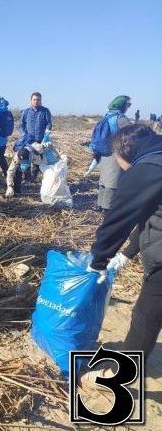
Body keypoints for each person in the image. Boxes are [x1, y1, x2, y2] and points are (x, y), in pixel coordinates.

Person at [84, 125, 162, 382]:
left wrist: (98, 260)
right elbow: (151, 215)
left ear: (124, 153)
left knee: (146, 315)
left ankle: (123, 377)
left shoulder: (146, 170)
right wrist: (128, 253)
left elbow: (118, 221)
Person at [95, 96, 132, 212]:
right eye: (128, 105)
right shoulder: (121, 118)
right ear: (121, 105)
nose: (128, 107)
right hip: (116, 153)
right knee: (113, 181)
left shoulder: (107, 116)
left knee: (104, 181)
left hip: (104, 152)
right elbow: (131, 134)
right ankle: (107, 208)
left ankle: (99, 205)